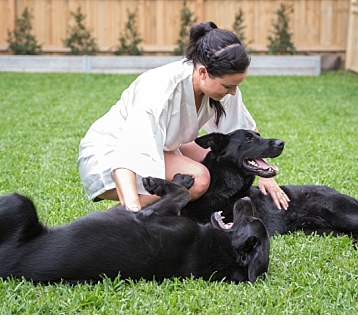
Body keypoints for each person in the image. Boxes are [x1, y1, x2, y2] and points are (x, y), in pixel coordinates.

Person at [77, 21, 289, 212]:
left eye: (235, 86)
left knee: (219, 158)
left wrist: (265, 175)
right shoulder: (160, 87)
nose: (233, 92)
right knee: (198, 179)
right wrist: (132, 208)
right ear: (203, 72)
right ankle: (122, 214)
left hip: (162, 147)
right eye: (228, 86)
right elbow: (128, 154)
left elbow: (245, 134)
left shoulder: (222, 86)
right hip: (110, 155)